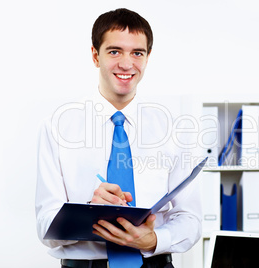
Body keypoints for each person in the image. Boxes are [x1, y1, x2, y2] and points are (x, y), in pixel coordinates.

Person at [35, 8, 202, 268]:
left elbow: (191, 218)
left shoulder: (173, 130)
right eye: (114, 51)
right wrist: (89, 211)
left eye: (137, 53)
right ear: (95, 56)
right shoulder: (58, 127)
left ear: (147, 58)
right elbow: (46, 226)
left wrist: (154, 240)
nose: (126, 64)